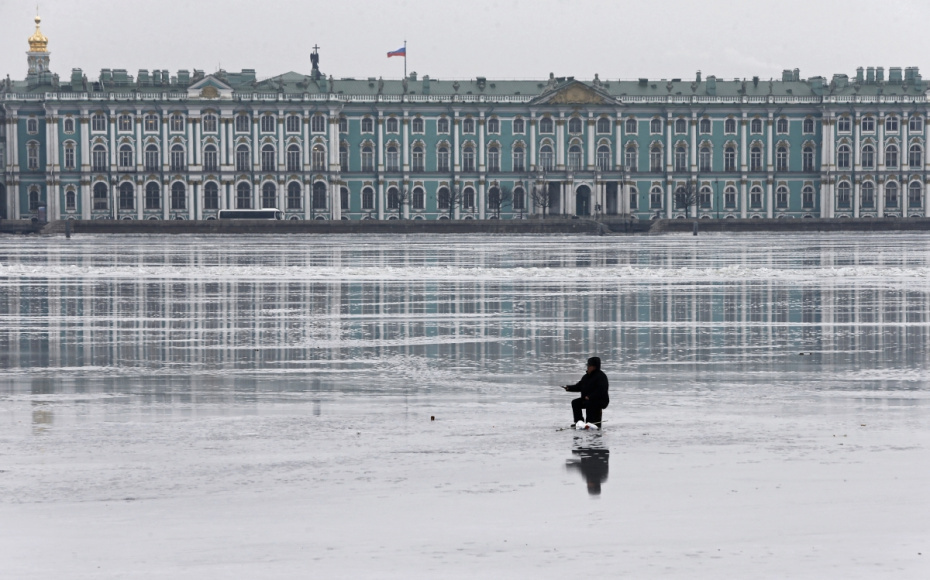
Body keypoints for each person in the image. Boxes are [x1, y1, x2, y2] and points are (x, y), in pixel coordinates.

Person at [563, 357, 609, 427]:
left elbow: (601, 390)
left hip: (600, 400)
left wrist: (590, 396)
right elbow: (579, 386)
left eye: (589, 366)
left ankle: (590, 423)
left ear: (594, 367)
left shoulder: (601, 377)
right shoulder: (586, 377)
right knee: (575, 403)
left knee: (589, 403)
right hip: (587, 399)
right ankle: (579, 422)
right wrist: (569, 388)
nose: (587, 367)